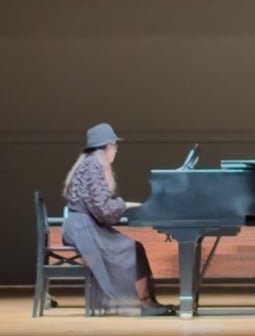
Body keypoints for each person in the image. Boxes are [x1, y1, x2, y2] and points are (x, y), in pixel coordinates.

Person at [62, 123, 174, 316]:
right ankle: (141, 303)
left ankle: (147, 301)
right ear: (106, 147)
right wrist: (125, 205)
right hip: (84, 229)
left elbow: (99, 206)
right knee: (131, 249)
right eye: (114, 145)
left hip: (84, 225)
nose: (116, 150)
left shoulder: (88, 164)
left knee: (135, 248)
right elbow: (103, 209)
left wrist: (124, 205)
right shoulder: (93, 166)